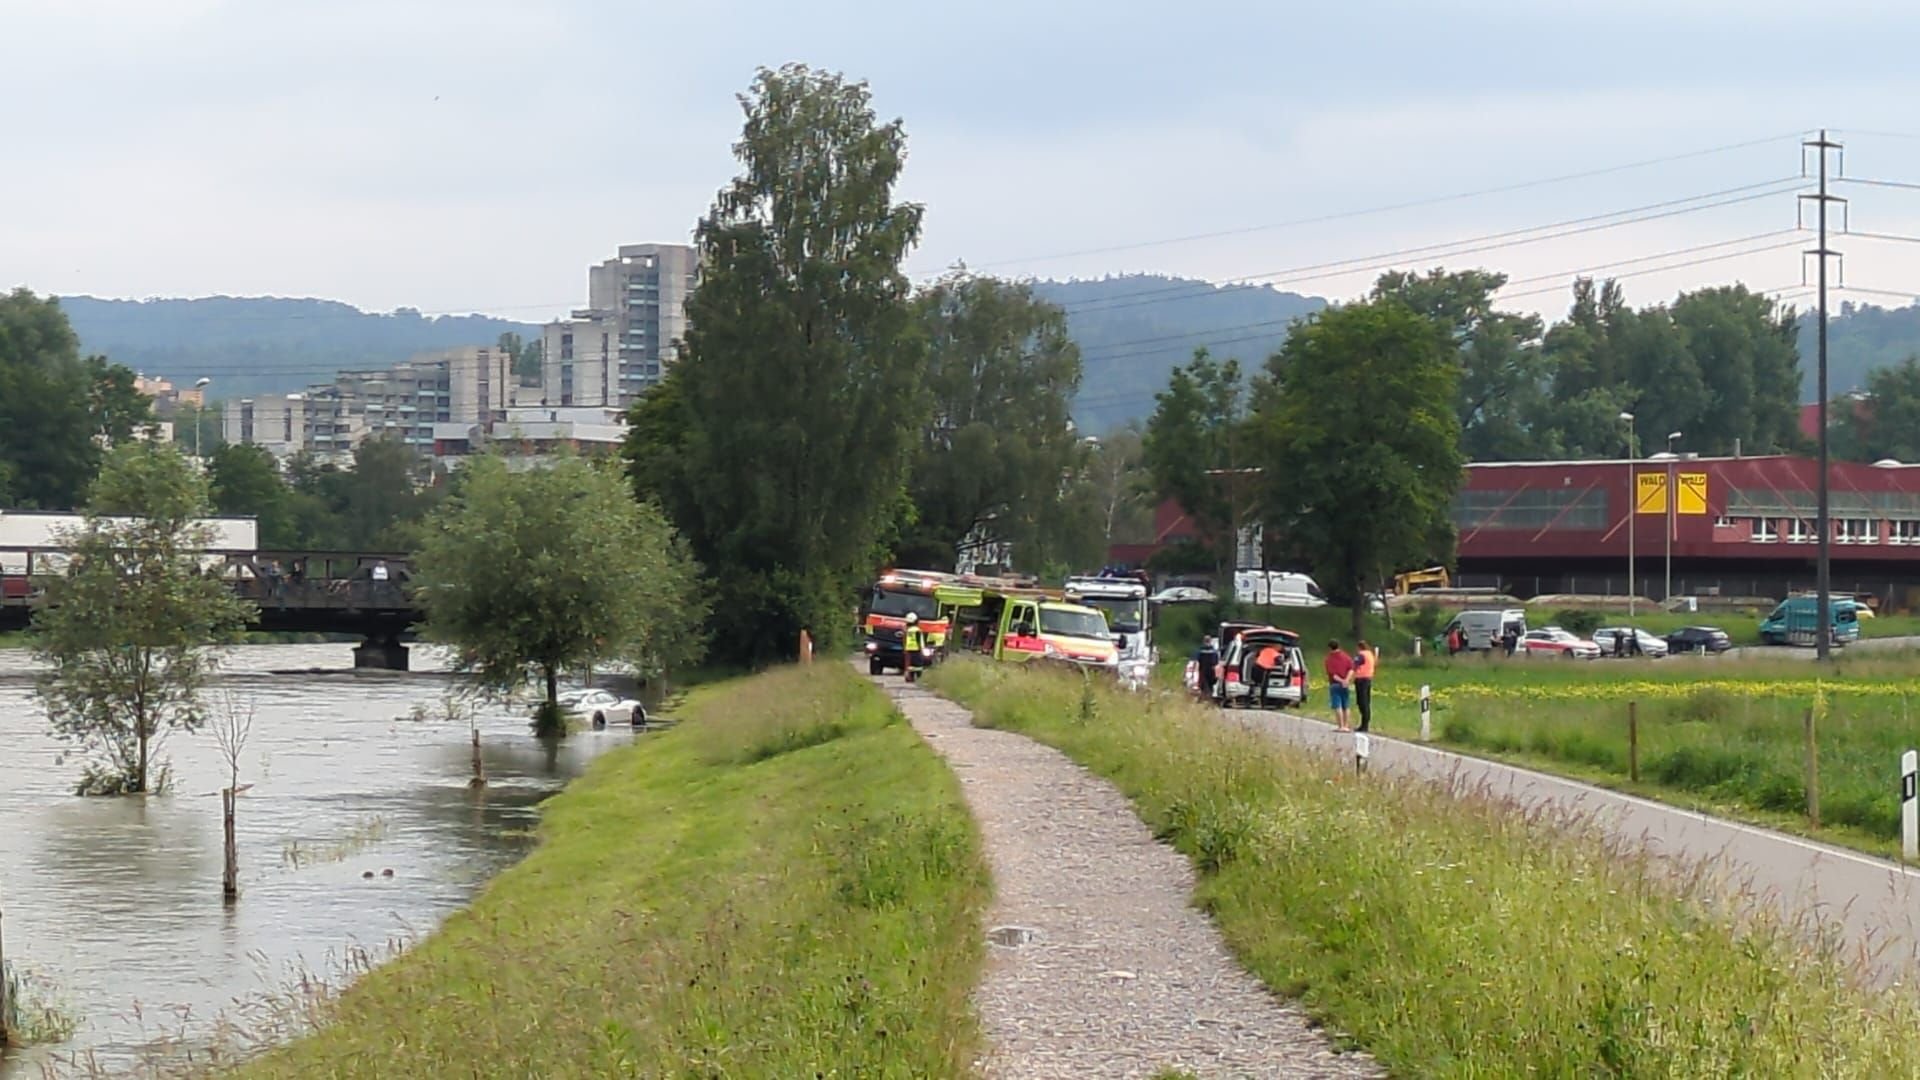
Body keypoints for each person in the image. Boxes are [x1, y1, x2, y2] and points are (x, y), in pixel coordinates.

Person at [1325, 639, 1355, 732]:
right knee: (1346, 705)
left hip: (1335, 684)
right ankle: (1346, 726)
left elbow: (1332, 674)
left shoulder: (1329, 659)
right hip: (1346, 685)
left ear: (1330, 648)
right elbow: (1351, 669)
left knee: (1337, 705)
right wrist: (1346, 680)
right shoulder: (1346, 657)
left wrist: (1341, 681)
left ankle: (1340, 726)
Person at [1352, 638, 1377, 732]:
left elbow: (1354, 665)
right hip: (1368, 679)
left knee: (1361, 702)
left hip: (1361, 679)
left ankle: (1364, 724)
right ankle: (1365, 723)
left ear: (1359, 647)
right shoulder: (1370, 654)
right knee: (1366, 701)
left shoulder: (1361, 655)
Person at [1193, 635, 1220, 700]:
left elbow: (1197, 660)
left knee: (1203, 684)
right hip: (1211, 670)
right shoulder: (1214, 651)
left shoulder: (1200, 650)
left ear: (1204, 641)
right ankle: (1209, 697)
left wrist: (1195, 669)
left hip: (1203, 670)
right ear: (1210, 641)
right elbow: (1216, 662)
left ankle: (1204, 697)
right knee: (1210, 685)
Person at [902, 612, 923, 681]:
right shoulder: (917, 630)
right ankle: (919, 677)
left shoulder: (906, 630)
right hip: (916, 649)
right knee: (918, 664)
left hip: (908, 649)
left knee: (909, 664)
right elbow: (919, 640)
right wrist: (921, 649)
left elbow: (904, 640)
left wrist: (905, 648)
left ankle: (909, 677)